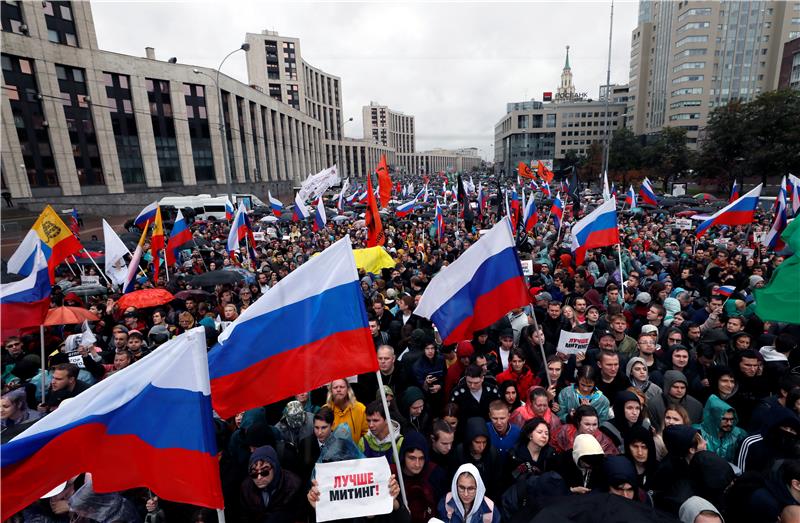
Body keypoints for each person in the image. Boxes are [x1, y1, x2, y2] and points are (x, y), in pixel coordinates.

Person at [393, 431, 447, 523]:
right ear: (403, 456)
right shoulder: (394, 475)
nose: (417, 464)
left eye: (421, 458)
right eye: (412, 458)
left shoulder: (434, 473)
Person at [239, 445, 303, 523]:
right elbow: (244, 516)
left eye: (264, 472)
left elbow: (299, 516)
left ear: (275, 467)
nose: (259, 477)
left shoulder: (293, 485)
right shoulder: (246, 487)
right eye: (254, 474)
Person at [693, 394, 747, 462]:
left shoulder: (739, 434)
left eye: (732, 419)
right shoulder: (697, 432)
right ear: (714, 418)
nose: (729, 423)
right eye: (725, 419)